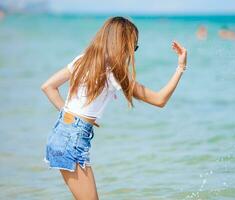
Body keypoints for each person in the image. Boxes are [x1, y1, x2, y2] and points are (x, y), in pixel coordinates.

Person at [40, 16, 187, 200]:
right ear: (122, 44)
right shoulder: (113, 74)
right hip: (74, 141)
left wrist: (71, 117)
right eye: (133, 46)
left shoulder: (82, 59)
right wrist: (181, 66)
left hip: (59, 135)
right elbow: (159, 99)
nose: (132, 52)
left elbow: (48, 87)